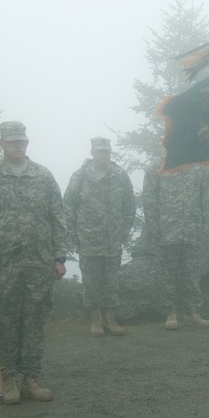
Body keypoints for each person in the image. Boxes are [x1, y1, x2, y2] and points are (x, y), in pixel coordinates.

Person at [0, 121, 67, 405]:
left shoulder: (43, 176)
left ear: (27, 143)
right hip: (3, 264)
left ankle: (31, 378)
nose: (17, 146)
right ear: (1, 144)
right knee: (6, 321)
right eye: (11, 142)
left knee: (35, 320)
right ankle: (8, 378)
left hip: (39, 262)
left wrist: (59, 256)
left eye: (21, 141)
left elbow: (57, 217)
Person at [64, 136, 136, 337]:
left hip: (113, 239)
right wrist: (73, 234)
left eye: (106, 151)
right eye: (100, 151)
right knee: (91, 279)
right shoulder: (80, 176)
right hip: (88, 238)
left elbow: (130, 204)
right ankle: (95, 319)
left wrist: (125, 229)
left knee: (111, 280)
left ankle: (110, 318)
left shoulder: (120, 175)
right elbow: (68, 205)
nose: (103, 154)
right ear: (92, 153)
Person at [142, 161, 209, 330]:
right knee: (167, 273)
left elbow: (207, 197)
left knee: (192, 272)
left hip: (192, 228)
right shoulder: (157, 166)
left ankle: (192, 312)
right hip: (166, 229)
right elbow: (149, 198)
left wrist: (206, 225)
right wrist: (153, 227)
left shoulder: (199, 167)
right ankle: (170, 312)